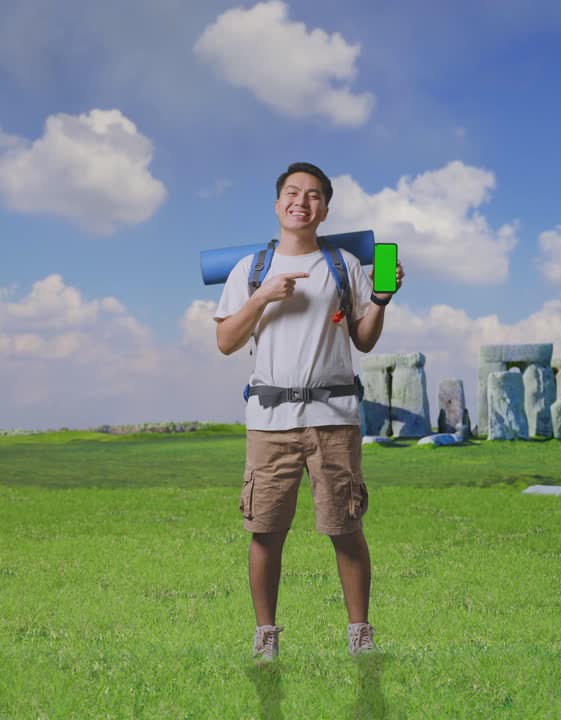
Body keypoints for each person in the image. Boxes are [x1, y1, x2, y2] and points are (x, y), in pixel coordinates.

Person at [213, 161, 405, 662]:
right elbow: (226, 342)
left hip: (334, 420)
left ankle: (360, 635)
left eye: (314, 195)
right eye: (293, 193)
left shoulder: (343, 265)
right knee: (265, 532)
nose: (303, 201)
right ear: (278, 205)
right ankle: (266, 637)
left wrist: (381, 298)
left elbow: (363, 339)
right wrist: (262, 297)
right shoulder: (250, 270)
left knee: (345, 528)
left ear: (325, 208)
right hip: (270, 423)